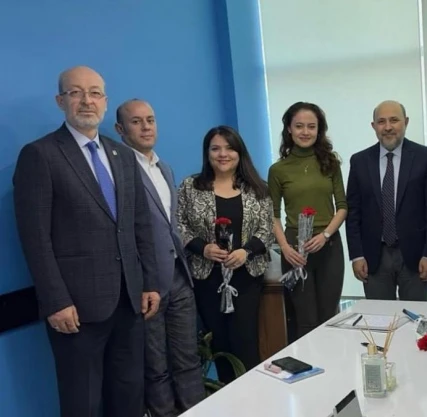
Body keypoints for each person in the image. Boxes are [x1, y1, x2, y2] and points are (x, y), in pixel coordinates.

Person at [12, 66, 159, 417]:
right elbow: (35, 238)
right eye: (75, 92)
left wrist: (149, 282)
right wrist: (56, 301)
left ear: (105, 101)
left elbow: (140, 224)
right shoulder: (40, 155)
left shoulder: (123, 155)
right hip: (76, 308)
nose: (86, 100)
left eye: (94, 92)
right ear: (60, 101)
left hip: (129, 301)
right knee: (83, 403)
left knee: (129, 395)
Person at [115, 99, 205, 416]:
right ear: (120, 129)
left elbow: (171, 224)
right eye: (136, 121)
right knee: (156, 366)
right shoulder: (118, 171)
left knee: (188, 359)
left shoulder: (164, 167)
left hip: (179, 276)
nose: (146, 127)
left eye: (150, 120)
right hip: (146, 284)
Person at [177, 126, 274, 383]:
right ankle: (226, 396)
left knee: (245, 343)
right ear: (207, 153)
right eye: (215, 148)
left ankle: (253, 397)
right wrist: (202, 248)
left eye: (229, 148)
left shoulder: (257, 188)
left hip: (246, 278)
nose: (223, 154)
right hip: (207, 278)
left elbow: (267, 229)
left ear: (239, 153)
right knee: (219, 346)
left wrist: (246, 252)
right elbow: (178, 225)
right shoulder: (190, 187)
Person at [346, 100, 427, 301]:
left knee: (415, 316)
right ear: (373, 126)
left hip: (416, 257)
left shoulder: (426, 157)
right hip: (374, 257)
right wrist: (356, 255)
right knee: (380, 317)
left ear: (406, 122)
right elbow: (353, 212)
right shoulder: (359, 161)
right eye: (381, 121)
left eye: (394, 120)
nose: (388, 127)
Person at [268, 102, 347, 338]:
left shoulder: (330, 163)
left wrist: (325, 235)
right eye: (299, 126)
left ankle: (331, 361)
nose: (305, 132)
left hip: (328, 245)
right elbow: (273, 214)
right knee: (304, 319)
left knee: (328, 317)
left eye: (311, 126)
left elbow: (342, 207)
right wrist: (285, 248)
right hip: (295, 248)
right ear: (289, 129)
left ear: (319, 130)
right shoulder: (278, 170)